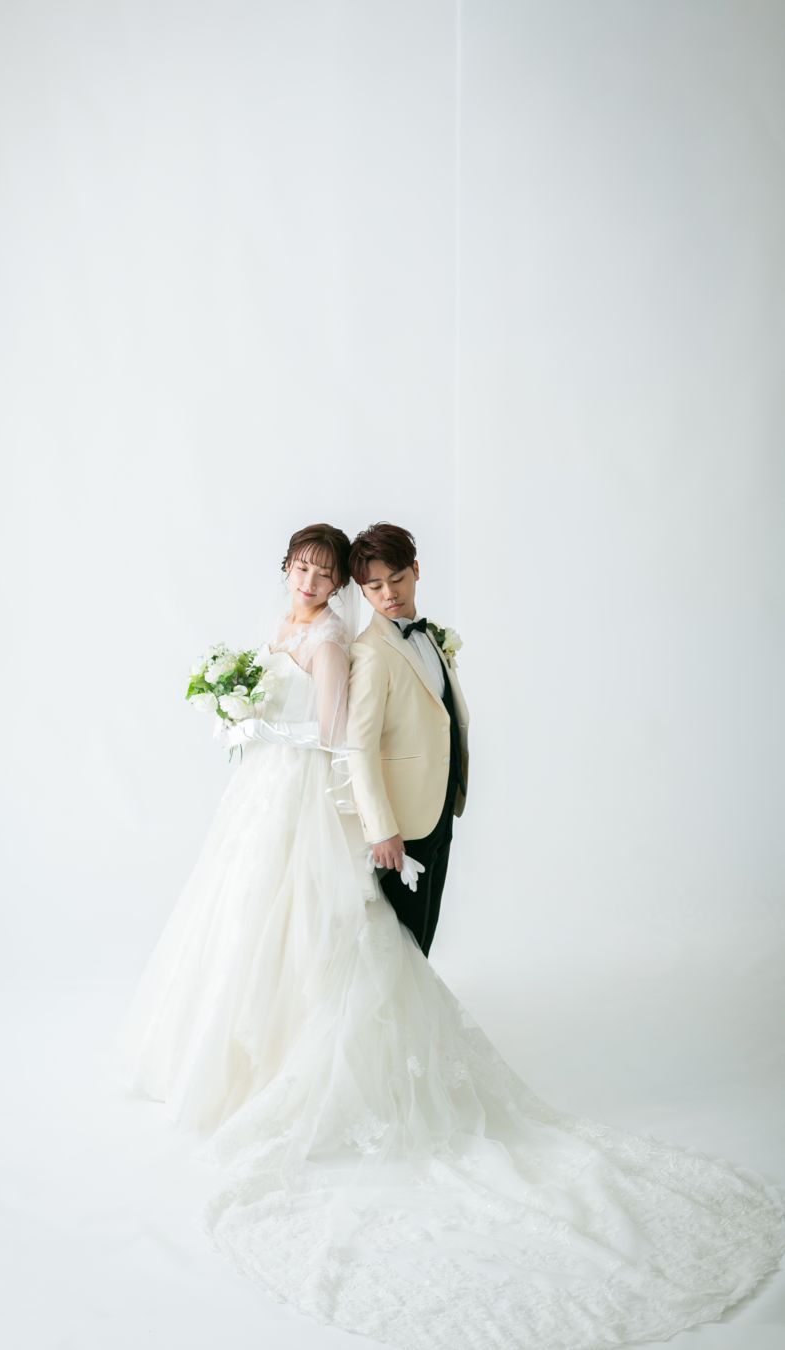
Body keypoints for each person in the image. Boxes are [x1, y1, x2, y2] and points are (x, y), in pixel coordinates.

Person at [116, 522, 785, 1350]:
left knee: (385, 949)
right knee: (352, 945)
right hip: (351, 811)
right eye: (340, 578)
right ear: (296, 573)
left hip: (414, 807)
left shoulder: (403, 638)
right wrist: (281, 750)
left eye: (375, 580)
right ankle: (338, 1069)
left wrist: (272, 733)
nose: (366, 592)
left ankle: (374, 1058)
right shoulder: (352, 644)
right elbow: (350, 740)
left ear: (410, 574)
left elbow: (382, 725)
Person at [347, 522, 468, 956]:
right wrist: (381, 829)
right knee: (396, 947)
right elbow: (359, 747)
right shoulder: (371, 652)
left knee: (422, 940)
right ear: (363, 592)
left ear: (416, 571)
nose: (389, 594)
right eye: (375, 586)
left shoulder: (430, 636)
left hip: (440, 808)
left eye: (397, 578)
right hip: (401, 826)